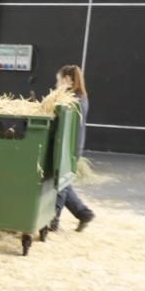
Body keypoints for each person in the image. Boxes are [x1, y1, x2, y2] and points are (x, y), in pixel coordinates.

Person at [52, 63, 96, 231]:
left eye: (58, 81)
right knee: (64, 181)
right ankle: (83, 213)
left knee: (61, 182)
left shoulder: (72, 102)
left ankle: (53, 219)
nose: (56, 85)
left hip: (68, 148)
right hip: (73, 146)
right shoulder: (80, 98)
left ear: (67, 80)